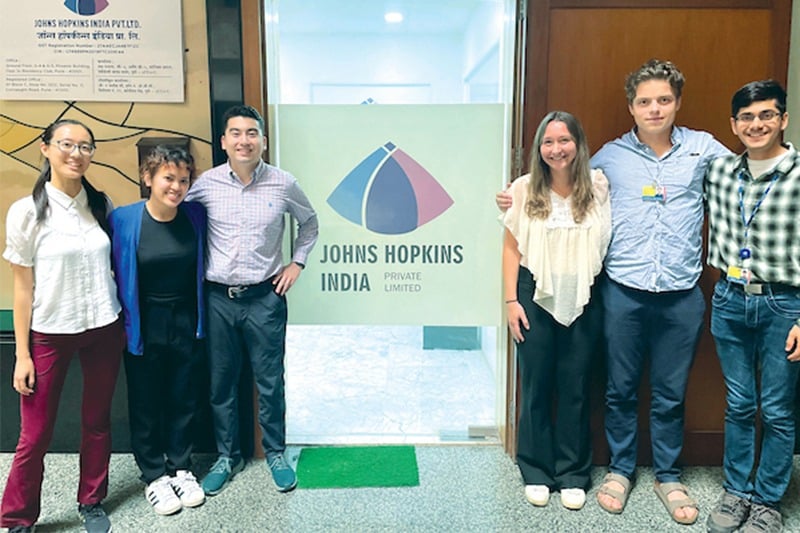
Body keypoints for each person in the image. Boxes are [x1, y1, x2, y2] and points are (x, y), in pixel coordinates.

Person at [497, 59, 730, 524]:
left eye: (664, 100)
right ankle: (577, 471)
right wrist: (509, 296)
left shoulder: (694, 151)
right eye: (644, 101)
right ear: (631, 106)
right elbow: (513, 237)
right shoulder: (589, 167)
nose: (654, 108)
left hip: (652, 293)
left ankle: (637, 475)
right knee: (582, 388)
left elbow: (744, 173)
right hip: (587, 293)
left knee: (639, 390)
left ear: (677, 103)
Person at [184, 105, 319, 495]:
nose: (244, 141)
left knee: (270, 381)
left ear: (263, 140)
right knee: (221, 383)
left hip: (265, 298)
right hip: (218, 299)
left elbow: (309, 223)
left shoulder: (283, 183)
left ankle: (275, 452)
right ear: (224, 141)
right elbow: (181, 223)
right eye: (236, 133)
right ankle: (228, 456)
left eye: (251, 133)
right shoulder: (205, 185)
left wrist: (297, 263)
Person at [1, 119, 124, 533]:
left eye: (86, 147)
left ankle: (91, 499)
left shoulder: (101, 204)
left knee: (97, 420)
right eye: (67, 145)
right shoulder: (26, 212)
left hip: (104, 325)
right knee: (34, 435)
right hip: (50, 331)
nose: (76, 154)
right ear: (46, 149)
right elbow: (22, 290)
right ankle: (18, 518)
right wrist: (22, 355)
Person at [502, 111, 611, 511]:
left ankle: (572, 473)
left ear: (578, 145)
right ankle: (535, 470)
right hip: (533, 294)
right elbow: (512, 247)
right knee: (536, 386)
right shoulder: (524, 189)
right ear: (538, 149)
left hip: (584, 295)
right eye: (548, 142)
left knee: (576, 387)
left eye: (564, 140)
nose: (556, 149)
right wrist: (511, 301)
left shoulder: (597, 187)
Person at [704, 80, 800, 533]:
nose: (756, 124)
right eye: (746, 117)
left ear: (783, 119)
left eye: (767, 115)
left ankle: (767, 502)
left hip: (785, 305)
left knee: (778, 410)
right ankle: (737, 492)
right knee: (739, 404)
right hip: (728, 299)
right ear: (733, 125)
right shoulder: (720, 171)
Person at [108, 146, 208, 516]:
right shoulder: (123, 220)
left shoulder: (196, 216)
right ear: (147, 178)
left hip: (186, 319)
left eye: (184, 180)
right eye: (168, 178)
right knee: (146, 401)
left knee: (184, 396)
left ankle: (181, 467)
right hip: (143, 322)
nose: (177, 187)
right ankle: (153, 475)